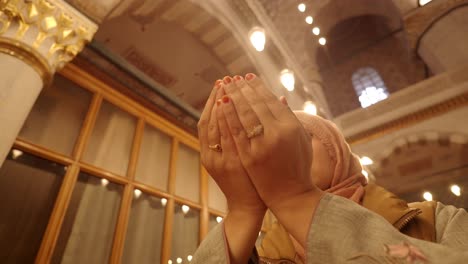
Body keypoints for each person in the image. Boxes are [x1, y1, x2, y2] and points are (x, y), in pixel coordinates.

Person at [193, 74, 468, 264]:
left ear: (336, 151)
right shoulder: (267, 253)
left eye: (301, 136)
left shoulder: (436, 220)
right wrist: (242, 211)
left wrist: (296, 198)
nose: (287, 148)